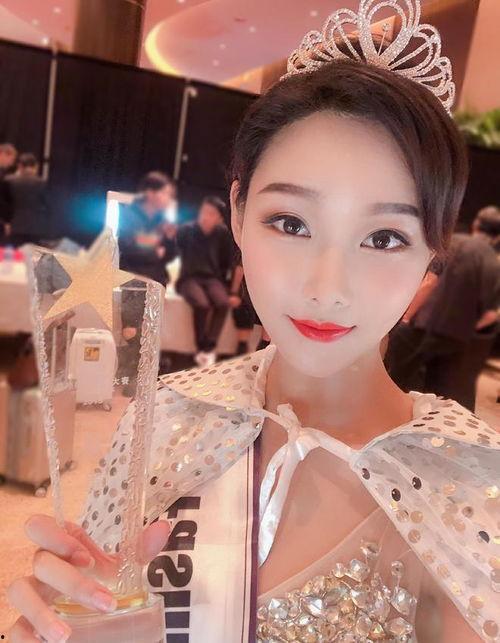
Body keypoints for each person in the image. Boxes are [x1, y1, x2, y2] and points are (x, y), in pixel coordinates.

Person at [7, 2, 500, 642]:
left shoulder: (469, 487)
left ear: (434, 250)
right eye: (290, 223)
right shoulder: (169, 416)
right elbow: (102, 608)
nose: (327, 288)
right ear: (238, 212)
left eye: (384, 238)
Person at [386, 209, 500, 411]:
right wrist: (467, 327)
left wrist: (407, 317)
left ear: (475, 225)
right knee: (444, 389)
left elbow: (429, 283)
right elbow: (491, 315)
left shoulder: (454, 244)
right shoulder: (493, 260)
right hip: (457, 338)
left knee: (395, 376)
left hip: (425, 326)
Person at [175, 195, 234, 367]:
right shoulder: (186, 230)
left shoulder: (222, 234)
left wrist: (227, 287)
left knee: (223, 303)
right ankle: (201, 346)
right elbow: (174, 247)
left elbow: (226, 261)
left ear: (219, 218)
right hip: (189, 278)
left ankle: (210, 346)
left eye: (211, 213)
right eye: (204, 212)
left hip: (212, 278)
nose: (205, 216)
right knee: (202, 304)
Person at [117, 171, 177, 287]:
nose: (168, 199)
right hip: (133, 277)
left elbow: (169, 256)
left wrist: (170, 240)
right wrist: (155, 251)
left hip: (157, 281)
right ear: (150, 193)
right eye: (165, 193)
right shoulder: (129, 214)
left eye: (170, 195)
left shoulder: (163, 220)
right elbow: (126, 246)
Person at [1, 153, 48, 246]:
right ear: (36, 166)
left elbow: (4, 204)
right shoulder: (42, 183)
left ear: (20, 166)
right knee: (32, 253)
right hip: (36, 227)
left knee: (13, 253)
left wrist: (6, 222)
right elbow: (47, 205)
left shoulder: (8, 180)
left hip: (14, 225)